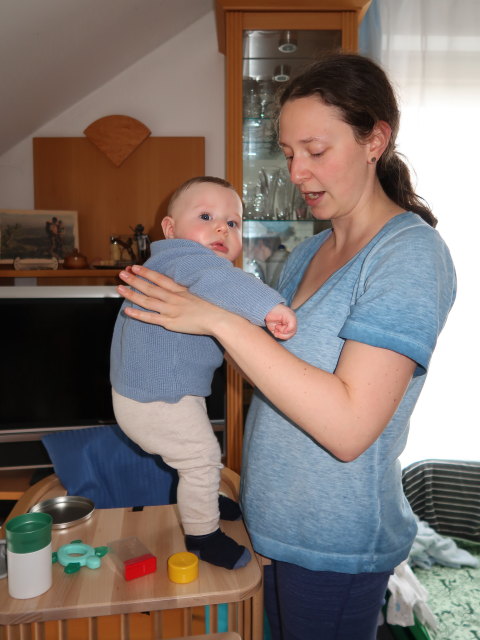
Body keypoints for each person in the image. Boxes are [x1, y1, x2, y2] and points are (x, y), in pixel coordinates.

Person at [113, 53, 456, 640]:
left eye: (316, 151)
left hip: (331, 545)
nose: (296, 172)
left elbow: (349, 429)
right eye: (289, 153)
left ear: (375, 139)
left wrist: (218, 321)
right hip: (268, 523)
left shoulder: (408, 256)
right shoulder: (305, 254)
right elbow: (277, 375)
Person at [110, 176, 297, 571]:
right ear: (170, 229)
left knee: (197, 457)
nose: (221, 228)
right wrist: (270, 308)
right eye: (207, 216)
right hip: (157, 399)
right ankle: (202, 535)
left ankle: (205, 497)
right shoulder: (187, 260)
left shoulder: (169, 266)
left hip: (151, 393)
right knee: (200, 457)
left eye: (233, 223)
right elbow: (225, 282)